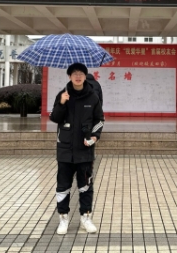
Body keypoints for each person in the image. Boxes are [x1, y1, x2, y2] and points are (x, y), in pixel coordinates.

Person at [50, 63, 104, 235]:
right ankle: (63, 218)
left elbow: (99, 119)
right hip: (65, 150)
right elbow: (54, 118)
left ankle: (85, 218)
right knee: (63, 186)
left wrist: (94, 136)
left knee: (86, 186)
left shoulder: (92, 97)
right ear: (69, 76)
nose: (78, 76)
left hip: (85, 150)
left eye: (81, 73)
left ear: (85, 76)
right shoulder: (63, 94)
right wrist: (62, 103)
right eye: (74, 73)